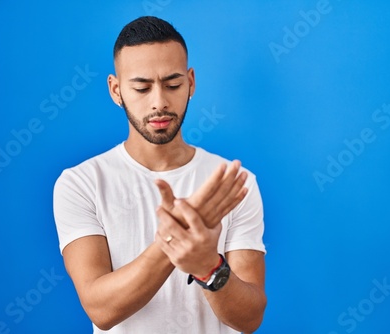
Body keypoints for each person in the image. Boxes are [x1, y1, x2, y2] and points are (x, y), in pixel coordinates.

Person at [53, 16, 267, 334]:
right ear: (116, 90)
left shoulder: (233, 183)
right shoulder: (80, 183)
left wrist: (210, 266)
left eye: (173, 85)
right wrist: (175, 242)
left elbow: (249, 319)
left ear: (191, 82)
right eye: (141, 87)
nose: (159, 102)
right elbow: (100, 308)